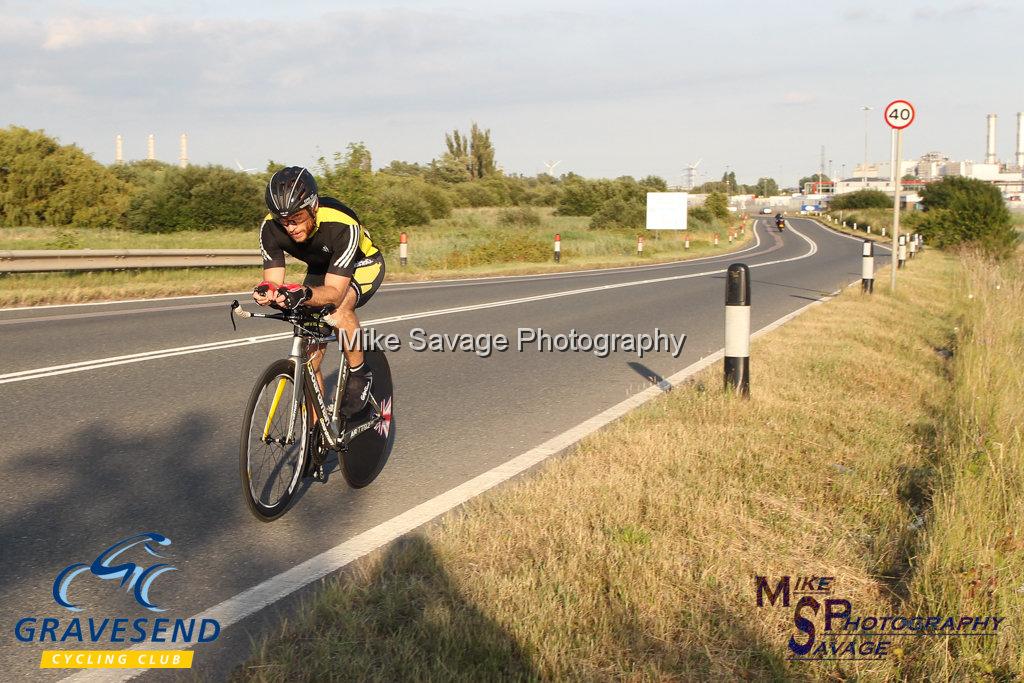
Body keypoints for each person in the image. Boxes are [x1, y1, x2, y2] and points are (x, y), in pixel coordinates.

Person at [252, 166, 385, 417]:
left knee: (339, 307)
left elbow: (334, 292)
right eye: (284, 221)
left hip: (362, 265)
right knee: (310, 358)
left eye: (296, 219)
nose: (290, 227)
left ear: (313, 207)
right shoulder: (270, 228)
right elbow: (273, 280)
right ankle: (313, 440)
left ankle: (359, 373)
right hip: (321, 266)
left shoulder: (342, 224)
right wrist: (268, 292)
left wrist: (304, 293)